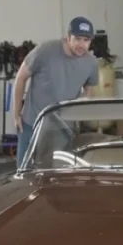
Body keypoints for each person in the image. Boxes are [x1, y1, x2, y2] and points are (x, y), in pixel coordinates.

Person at [12, 17, 100, 167]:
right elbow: (20, 78)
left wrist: (84, 101)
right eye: (77, 39)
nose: (81, 45)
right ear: (68, 37)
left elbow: (89, 90)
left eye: (86, 40)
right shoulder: (46, 50)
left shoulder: (91, 63)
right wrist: (16, 114)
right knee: (24, 173)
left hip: (62, 128)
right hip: (32, 123)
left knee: (56, 175)